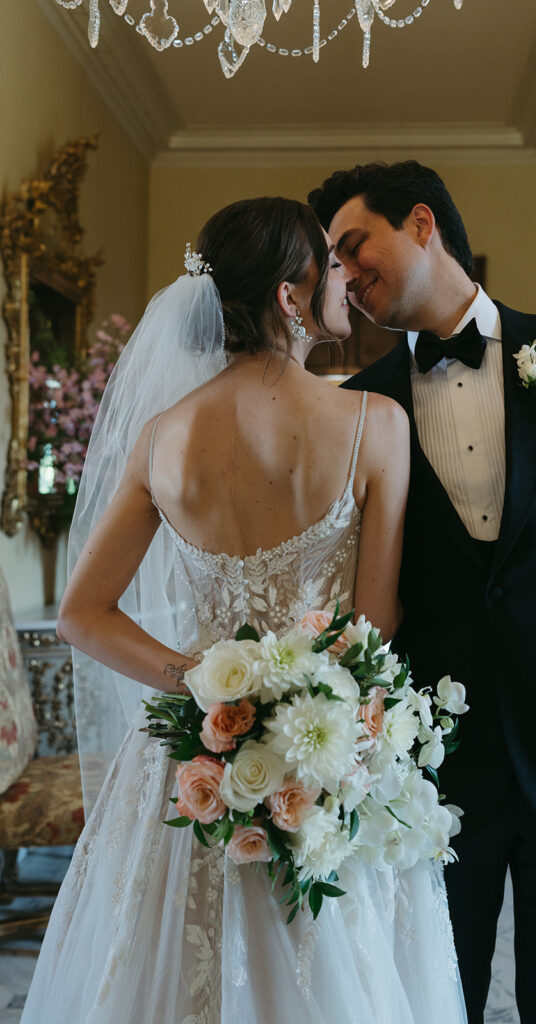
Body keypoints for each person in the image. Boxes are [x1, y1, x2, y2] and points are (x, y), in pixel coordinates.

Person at [20, 197, 468, 1024]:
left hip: (194, 765)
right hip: (327, 754)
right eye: (328, 265)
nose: (346, 278)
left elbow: (83, 615)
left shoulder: (164, 436)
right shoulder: (377, 425)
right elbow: (373, 625)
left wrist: (212, 687)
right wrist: (297, 703)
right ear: (289, 300)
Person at [308, 161, 536, 1024]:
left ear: (421, 222)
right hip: (432, 785)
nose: (343, 277)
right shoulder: (359, 409)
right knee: (435, 1006)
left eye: (351, 246)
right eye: (330, 266)